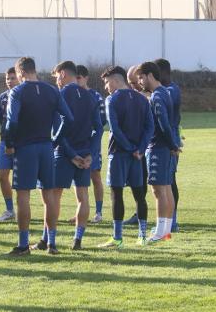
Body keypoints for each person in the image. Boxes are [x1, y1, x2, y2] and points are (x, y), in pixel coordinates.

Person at [4, 57, 73, 256]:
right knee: (49, 196)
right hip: (46, 148)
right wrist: (55, 140)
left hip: (26, 148)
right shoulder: (52, 90)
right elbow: (68, 118)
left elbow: (12, 122)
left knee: (23, 196)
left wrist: (10, 144)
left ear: (21, 73)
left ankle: (23, 244)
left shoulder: (17, 91)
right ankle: (52, 243)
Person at [32, 61, 101, 252]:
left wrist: (70, 155)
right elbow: (99, 129)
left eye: (56, 76)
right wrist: (90, 155)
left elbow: (58, 129)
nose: (56, 80)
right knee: (83, 197)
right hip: (85, 154)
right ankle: (77, 240)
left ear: (62, 74)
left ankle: (50, 242)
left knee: (53, 197)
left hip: (64, 153)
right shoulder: (90, 96)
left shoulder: (60, 94)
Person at [97, 66, 153, 249]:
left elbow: (114, 128)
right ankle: (142, 237)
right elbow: (149, 127)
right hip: (137, 155)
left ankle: (117, 239)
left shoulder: (112, 99)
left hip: (119, 154)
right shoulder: (142, 99)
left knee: (116, 194)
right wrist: (140, 149)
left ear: (115, 80)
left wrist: (130, 149)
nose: (106, 87)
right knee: (140, 195)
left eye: (106, 82)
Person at [137, 61, 180, 243]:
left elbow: (163, 123)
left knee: (158, 190)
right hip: (166, 147)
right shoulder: (165, 92)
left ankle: (160, 232)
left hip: (159, 148)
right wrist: (174, 145)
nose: (139, 82)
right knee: (167, 187)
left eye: (140, 77)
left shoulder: (157, 96)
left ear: (149, 75)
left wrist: (171, 145)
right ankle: (166, 230)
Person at [75, 65, 107, 223]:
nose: (77, 80)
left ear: (86, 78)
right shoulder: (71, 95)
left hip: (91, 143)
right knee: (80, 180)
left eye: (79, 77)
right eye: (75, 77)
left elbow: (102, 121)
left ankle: (99, 212)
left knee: (95, 176)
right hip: (76, 144)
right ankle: (81, 212)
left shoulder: (95, 96)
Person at [154, 58, 182, 232]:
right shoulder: (165, 90)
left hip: (169, 140)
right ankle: (169, 221)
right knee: (164, 182)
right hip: (166, 139)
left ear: (163, 72)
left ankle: (172, 221)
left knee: (169, 181)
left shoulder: (170, 90)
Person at [121, 64, 150, 227]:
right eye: (130, 83)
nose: (132, 86)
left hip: (147, 147)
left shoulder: (148, 97)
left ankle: (168, 220)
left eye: (134, 82)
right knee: (140, 182)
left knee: (160, 184)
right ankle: (139, 214)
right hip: (138, 148)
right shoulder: (136, 97)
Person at [0, 67, 19, 222]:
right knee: (2, 176)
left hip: (22, 143)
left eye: (12, 78)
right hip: (4, 142)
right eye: (7, 78)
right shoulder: (2, 98)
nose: (9, 81)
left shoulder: (24, 96)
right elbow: (1, 119)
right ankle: (10, 210)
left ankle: (23, 210)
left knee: (21, 179)